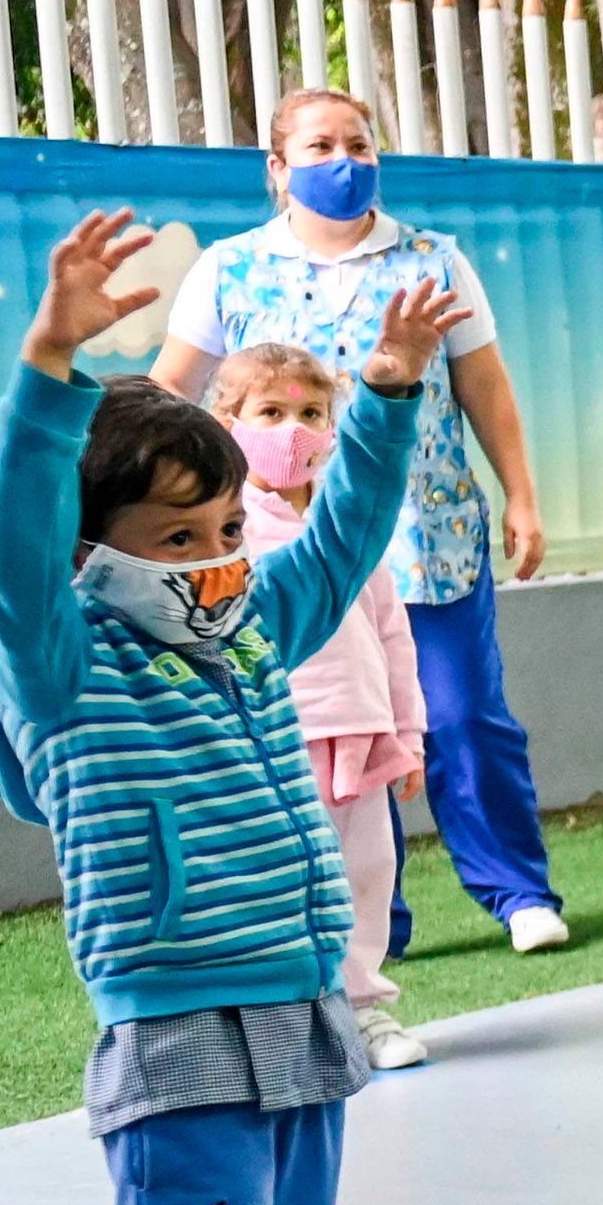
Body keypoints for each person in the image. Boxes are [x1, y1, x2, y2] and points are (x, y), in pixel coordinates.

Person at [0, 208, 462, 1205]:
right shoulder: (59, 654)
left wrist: (382, 399)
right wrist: (52, 368)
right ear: (89, 549)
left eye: (224, 528)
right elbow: (7, 538)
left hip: (301, 1015)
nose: (213, 560)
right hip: (182, 1038)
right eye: (174, 540)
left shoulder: (249, 626)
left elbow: (347, 534)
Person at [154, 86, 570, 959]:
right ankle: (376, 925)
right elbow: (171, 395)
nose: (343, 160)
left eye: (357, 141)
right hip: (283, 547)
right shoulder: (228, 269)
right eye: (318, 146)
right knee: (337, 727)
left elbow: (483, 386)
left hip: (428, 534)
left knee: (460, 716)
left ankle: (517, 890)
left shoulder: (435, 261)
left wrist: (522, 495)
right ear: (278, 169)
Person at [215, 341, 432, 1072]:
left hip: (363, 735)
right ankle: (284, 1026)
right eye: (270, 412)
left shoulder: (348, 527)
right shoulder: (225, 529)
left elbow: (392, 632)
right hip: (279, 741)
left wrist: (408, 730)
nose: (293, 429)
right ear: (228, 420)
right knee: (285, 885)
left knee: (367, 874)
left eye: (311, 412)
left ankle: (363, 1011)